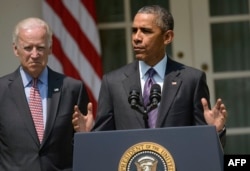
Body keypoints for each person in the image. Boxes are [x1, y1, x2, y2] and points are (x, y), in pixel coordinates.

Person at [73, 5, 227, 143]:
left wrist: (215, 132)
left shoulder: (191, 80)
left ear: (167, 37)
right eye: (134, 30)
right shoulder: (112, 82)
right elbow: (103, 141)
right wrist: (86, 136)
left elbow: (202, 145)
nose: (136, 38)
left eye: (146, 31)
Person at [0, 17, 92, 171]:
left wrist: (86, 136)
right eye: (28, 48)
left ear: (50, 48)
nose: (35, 54)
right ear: (16, 49)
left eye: (40, 48)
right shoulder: (1, 90)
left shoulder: (72, 89)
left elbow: (86, 149)